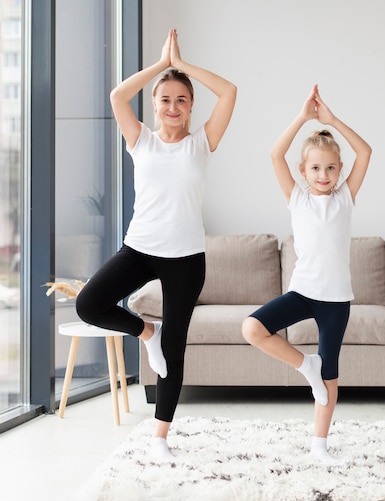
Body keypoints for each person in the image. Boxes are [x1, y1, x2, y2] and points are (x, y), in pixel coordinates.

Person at [76, 29, 236, 460]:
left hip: (186, 259)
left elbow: (230, 91)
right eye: (164, 99)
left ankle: (161, 436)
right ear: (153, 105)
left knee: (175, 348)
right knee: (89, 305)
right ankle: (146, 330)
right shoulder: (140, 140)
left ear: (191, 106)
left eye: (181, 99)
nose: (172, 106)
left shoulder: (202, 143)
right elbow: (116, 95)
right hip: (140, 249)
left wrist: (182, 66)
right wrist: (160, 65)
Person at [242, 85, 371, 465]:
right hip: (303, 292)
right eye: (315, 167)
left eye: (331, 167)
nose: (324, 174)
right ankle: (305, 365)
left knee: (330, 376)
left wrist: (331, 121)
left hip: (336, 301)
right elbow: (274, 153)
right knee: (252, 329)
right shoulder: (296, 198)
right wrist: (302, 118)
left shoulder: (346, 197)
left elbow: (365, 151)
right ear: (303, 171)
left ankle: (319, 445)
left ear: (340, 170)